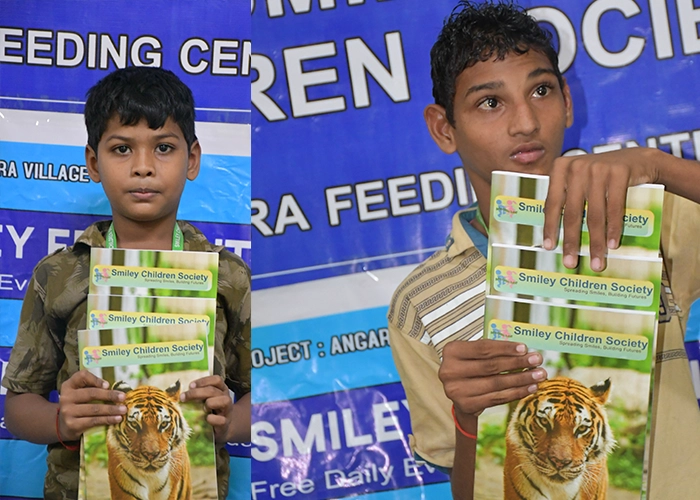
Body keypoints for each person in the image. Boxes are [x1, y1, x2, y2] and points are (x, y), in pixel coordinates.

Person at [387, 2, 700, 499]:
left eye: (540, 90)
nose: (526, 122)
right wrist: (468, 420)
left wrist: (658, 167)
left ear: (568, 101)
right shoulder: (421, 303)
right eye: (490, 102)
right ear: (444, 128)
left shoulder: (638, 218)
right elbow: (474, 491)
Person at [0, 67, 251, 499]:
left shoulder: (227, 276)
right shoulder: (58, 274)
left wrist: (229, 422)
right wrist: (61, 421)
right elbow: (18, 407)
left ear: (192, 160)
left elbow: (264, 396)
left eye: (164, 148)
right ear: (94, 163)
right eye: (121, 149)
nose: (143, 167)